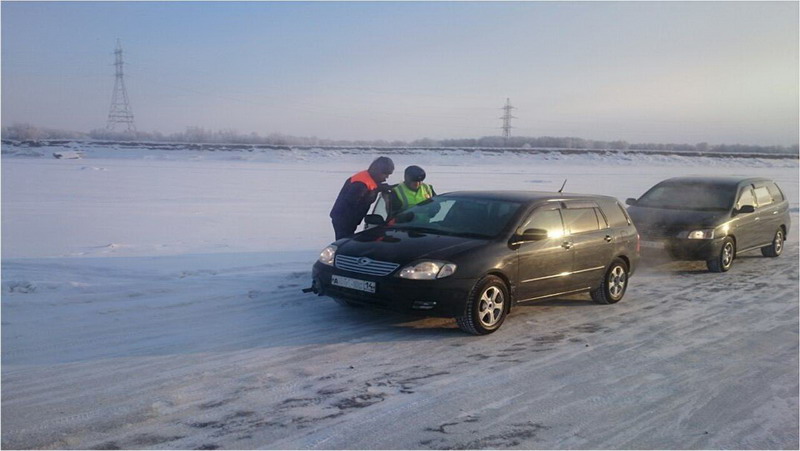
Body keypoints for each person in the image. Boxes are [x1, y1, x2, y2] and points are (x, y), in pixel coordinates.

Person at [329, 156, 394, 240]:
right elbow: (354, 202)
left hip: (347, 219)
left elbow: (370, 188)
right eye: (385, 174)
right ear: (377, 171)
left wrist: (378, 188)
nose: (386, 177)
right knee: (344, 242)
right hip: (343, 220)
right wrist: (376, 190)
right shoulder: (360, 184)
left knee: (347, 240)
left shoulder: (368, 177)